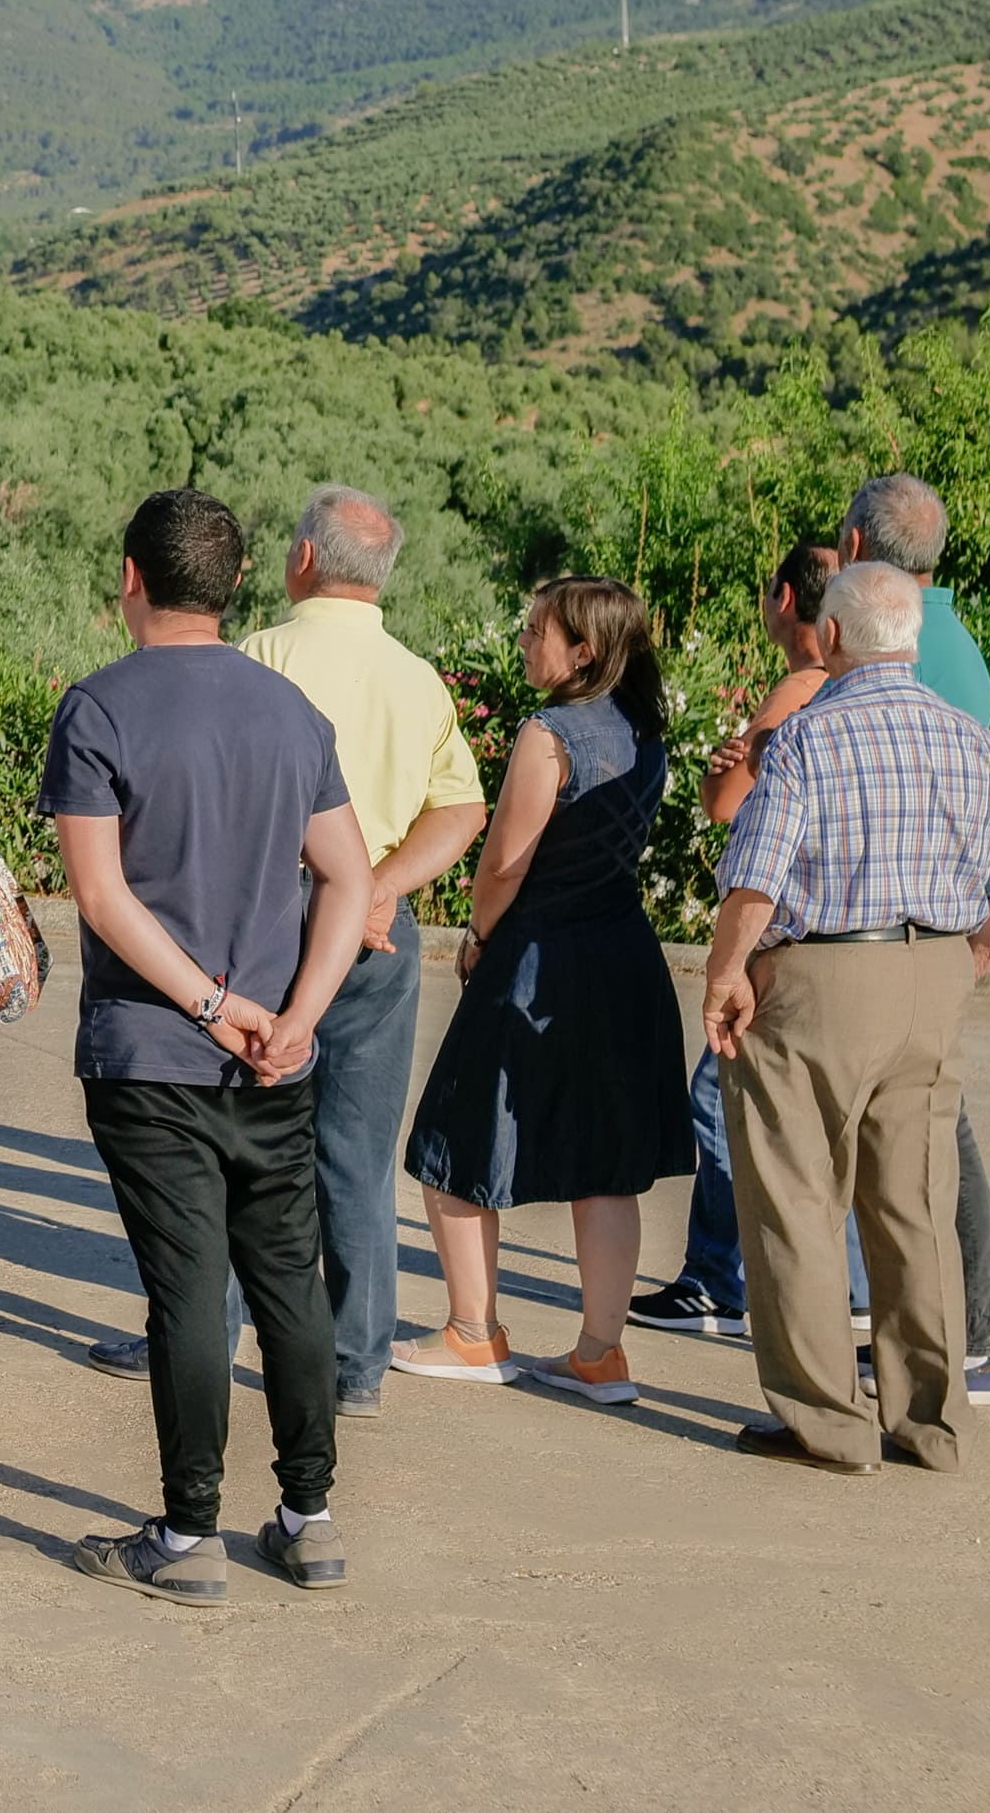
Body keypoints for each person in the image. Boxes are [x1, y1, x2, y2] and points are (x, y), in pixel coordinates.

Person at [82, 484, 487, 1415]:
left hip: (260, 923)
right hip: (374, 933)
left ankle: (204, 1333)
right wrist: (381, 887)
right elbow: (461, 804)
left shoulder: (257, 656)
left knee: (232, 1144)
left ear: (303, 558)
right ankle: (356, 1364)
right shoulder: (420, 677)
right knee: (356, 1149)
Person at [46, 489, 378, 1605]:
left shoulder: (99, 707)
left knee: (186, 1292)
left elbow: (98, 894)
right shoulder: (289, 714)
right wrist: (299, 1013)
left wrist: (204, 1004)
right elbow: (350, 876)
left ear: (131, 577)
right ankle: (309, 1518)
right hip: (275, 1057)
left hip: (154, 1051)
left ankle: (189, 1536)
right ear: (234, 585)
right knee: (287, 1281)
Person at [705, 561, 990, 1474]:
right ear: (907, 639)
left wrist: (724, 973)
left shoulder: (808, 739)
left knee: (795, 1193)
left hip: (821, 975)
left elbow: (755, 879)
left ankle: (827, 1417)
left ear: (831, 636)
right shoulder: (972, 740)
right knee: (914, 1201)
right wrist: (965, 962)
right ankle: (928, 1418)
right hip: (932, 971)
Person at [394, 577, 698, 1405]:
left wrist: (479, 934)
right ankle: (601, 1351)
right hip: (624, 955)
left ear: (583, 650)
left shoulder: (548, 733)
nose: (525, 641)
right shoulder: (645, 729)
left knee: (453, 1138)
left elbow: (503, 863)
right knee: (607, 1166)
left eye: (538, 631)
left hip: (538, 954)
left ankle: (473, 1330)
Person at [631, 540, 839, 1339]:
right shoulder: (857, 682)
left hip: (778, 926)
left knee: (719, 1100)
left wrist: (733, 763)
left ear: (783, 599)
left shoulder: (797, 685)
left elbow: (726, 803)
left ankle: (718, 1278)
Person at [838, 474, 990, 1409]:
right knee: (932, 1133)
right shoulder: (950, 637)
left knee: (943, 1139)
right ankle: (952, 1338)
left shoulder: (900, 641)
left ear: (856, 539)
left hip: (898, 933)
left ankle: (967, 1339)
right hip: (934, 927)